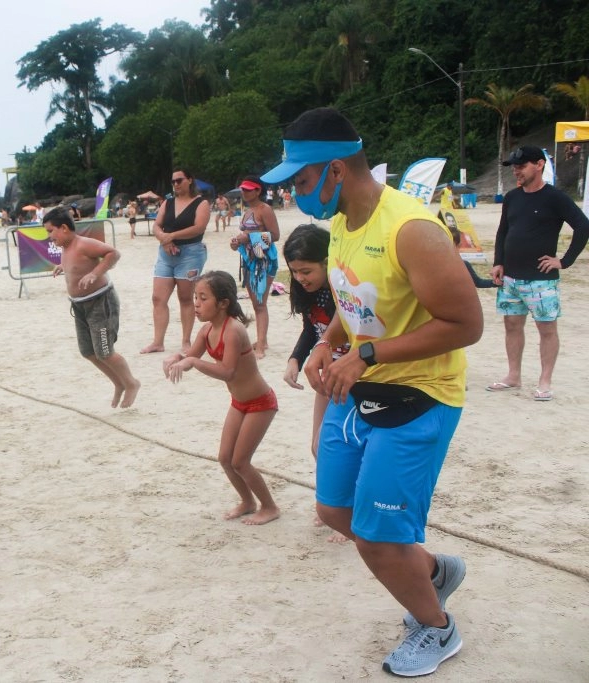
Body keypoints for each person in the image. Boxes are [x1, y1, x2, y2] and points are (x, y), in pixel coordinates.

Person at [263, 107, 482, 676]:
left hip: (420, 395)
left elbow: (465, 324)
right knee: (335, 510)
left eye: (302, 181)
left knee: (377, 539)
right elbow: (354, 297)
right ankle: (433, 570)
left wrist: (364, 354)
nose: (296, 194)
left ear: (335, 169)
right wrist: (324, 342)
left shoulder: (410, 229)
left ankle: (437, 629)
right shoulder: (340, 224)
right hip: (357, 388)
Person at [163, 270, 279, 525]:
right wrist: (177, 357)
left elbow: (228, 372)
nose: (196, 303)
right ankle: (248, 502)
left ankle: (269, 507)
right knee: (225, 459)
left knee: (241, 461)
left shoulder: (232, 331)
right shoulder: (207, 330)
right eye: (195, 297)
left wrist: (193, 362)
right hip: (239, 402)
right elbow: (190, 354)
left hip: (261, 403)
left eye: (203, 298)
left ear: (223, 303)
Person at [486, 145, 589, 401]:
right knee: (511, 325)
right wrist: (499, 261)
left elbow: (583, 226)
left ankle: (544, 382)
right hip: (509, 277)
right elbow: (503, 231)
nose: (516, 172)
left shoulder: (555, 197)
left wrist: (564, 261)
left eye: (521, 166)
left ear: (539, 164)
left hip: (541, 280)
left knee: (546, 329)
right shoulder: (511, 197)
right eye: (514, 168)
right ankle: (513, 376)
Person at [281, 224, 351, 543]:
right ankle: (331, 506)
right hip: (328, 374)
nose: (300, 279)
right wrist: (295, 357)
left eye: (306, 271)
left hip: (354, 375)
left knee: (341, 447)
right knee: (318, 446)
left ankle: (347, 514)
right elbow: (313, 328)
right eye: (294, 272)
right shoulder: (308, 292)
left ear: (327, 262)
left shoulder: (344, 290)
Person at [44, 207, 141, 409]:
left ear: (63, 228)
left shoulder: (83, 244)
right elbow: (76, 265)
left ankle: (131, 383)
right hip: (79, 306)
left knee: (104, 351)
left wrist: (95, 273)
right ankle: (118, 383)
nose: (49, 237)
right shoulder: (66, 248)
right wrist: (64, 267)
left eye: (50, 231)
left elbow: (113, 254)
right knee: (87, 351)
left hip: (100, 302)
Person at [141, 167, 210, 354]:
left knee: (185, 297)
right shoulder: (168, 203)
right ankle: (158, 341)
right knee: (158, 298)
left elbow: (198, 228)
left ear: (190, 180)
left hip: (190, 253)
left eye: (179, 180)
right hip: (166, 253)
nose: (176, 184)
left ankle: (186, 341)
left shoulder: (201, 203)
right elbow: (157, 225)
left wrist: (170, 236)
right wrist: (164, 239)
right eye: (173, 181)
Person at [230, 176, 280, 359]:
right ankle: (262, 340)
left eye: (247, 189)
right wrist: (237, 243)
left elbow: (275, 235)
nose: (243, 192)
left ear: (258, 190)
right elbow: (246, 233)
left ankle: (260, 345)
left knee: (260, 304)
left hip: (264, 261)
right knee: (256, 303)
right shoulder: (247, 210)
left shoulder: (264, 209)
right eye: (243, 189)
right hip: (251, 260)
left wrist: (249, 238)